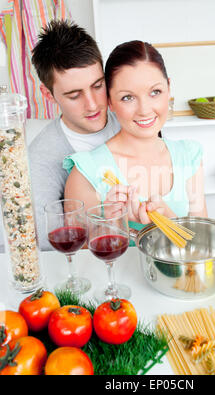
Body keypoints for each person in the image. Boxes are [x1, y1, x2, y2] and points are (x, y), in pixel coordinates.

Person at [63, 40, 207, 232]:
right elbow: (78, 256)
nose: (144, 110)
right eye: (127, 97)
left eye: (155, 92)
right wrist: (115, 223)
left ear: (169, 88)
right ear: (110, 102)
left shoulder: (188, 156)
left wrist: (170, 220)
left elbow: (200, 247)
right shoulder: (86, 173)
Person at [29, 20, 120, 250]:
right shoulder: (40, 158)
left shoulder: (131, 123)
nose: (92, 105)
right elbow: (50, 247)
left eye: (98, 85)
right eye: (74, 95)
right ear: (48, 95)